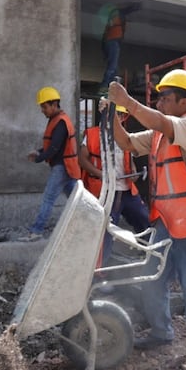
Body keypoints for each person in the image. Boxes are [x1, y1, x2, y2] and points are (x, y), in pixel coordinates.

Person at [107, 69, 186, 370]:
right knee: (152, 279)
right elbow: (126, 142)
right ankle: (161, 331)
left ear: (185, 102)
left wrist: (128, 101)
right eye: (159, 97)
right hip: (167, 220)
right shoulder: (159, 135)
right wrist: (114, 114)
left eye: (166, 97)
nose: (160, 101)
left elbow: (160, 121)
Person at [78, 101, 150, 264]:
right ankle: (100, 273)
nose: (118, 117)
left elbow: (128, 161)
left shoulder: (124, 137)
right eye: (115, 113)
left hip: (126, 191)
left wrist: (132, 173)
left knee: (144, 219)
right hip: (106, 192)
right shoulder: (93, 134)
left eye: (121, 115)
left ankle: (147, 255)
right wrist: (99, 174)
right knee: (106, 233)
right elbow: (82, 159)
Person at [25, 86, 81, 240]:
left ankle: (36, 231)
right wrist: (39, 151)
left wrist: (38, 158)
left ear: (54, 104)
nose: (42, 110)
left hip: (63, 167)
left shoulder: (61, 122)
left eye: (44, 107)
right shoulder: (57, 120)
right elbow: (53, 145)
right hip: (68, 168)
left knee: (49, 199)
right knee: (76, 201)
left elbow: (55, 148)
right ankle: (82, 229)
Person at [99, 3, 142, 95]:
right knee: (112, 67)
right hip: (113, 41)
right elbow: (124, 11)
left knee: (114, 69)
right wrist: (135, 7)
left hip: (111, 42)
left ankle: (109, 88)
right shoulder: (116, 14)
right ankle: (105, 86)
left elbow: (104, 41)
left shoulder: (110, 26)